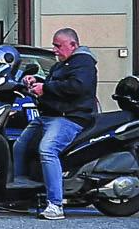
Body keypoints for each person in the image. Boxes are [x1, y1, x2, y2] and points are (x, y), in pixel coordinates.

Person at [16, 27, 101, 218]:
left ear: (73, 45)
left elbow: (77, 86)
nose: (54, 50)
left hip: (69, 117)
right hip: (50, 115)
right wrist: (35, 80)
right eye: (54, 45)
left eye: (58, 46)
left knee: (47, 150)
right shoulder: (63, 63)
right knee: (20, 145)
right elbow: (53, 82)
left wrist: (45, 88)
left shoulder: (84, 63)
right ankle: (20, 196)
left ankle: (55, 204)